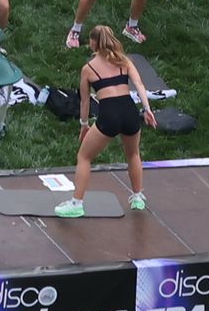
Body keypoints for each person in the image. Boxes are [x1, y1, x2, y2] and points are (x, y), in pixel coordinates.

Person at [58, 28, 152, 217]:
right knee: (133, 154)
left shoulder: (88, 68)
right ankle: (138, 197)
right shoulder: (124, 60)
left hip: (110, 114)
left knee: (84, 157)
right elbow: (139, 84)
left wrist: (84, 125)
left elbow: (85, 101)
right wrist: (147, 109)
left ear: (94, 42)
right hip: (130, 111)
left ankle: (76, 203)